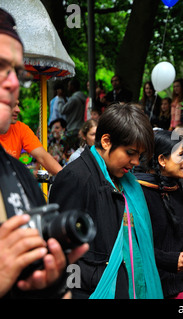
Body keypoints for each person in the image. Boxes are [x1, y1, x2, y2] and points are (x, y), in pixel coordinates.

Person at [0, 7, 88, 299]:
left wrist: (52, 285)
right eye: (0, 66)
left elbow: (50, 163)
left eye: (16, 72)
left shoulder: (18, 177)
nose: (13, 83)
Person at [49, 103, 163, 299]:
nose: (136, 162)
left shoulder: (127, 181)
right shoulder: (76, 177)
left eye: (139, 155)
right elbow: (59, 251)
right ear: (106, 141)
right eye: (130, 153)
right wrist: (87, 285)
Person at [134, 130, 183, 299]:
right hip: (151, 287)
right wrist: (166, 260)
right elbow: (132, 244)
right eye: (180, 155)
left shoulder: (180, 193)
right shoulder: (139, 194)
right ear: (162, 160)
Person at [0, 100, 62, 176]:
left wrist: (67, 177)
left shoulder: (20, 129)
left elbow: (43, 157)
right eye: (12, 105)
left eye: (17, 105)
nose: (18, 110)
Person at [60, 78, 87, 150]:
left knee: (70, 150)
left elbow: (62, 110)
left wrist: (60, 99)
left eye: (69, 86)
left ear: (73, 86)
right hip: (81, 127)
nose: (68, 88)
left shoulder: (73, 99)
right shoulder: (84, 98)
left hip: (72, 128)